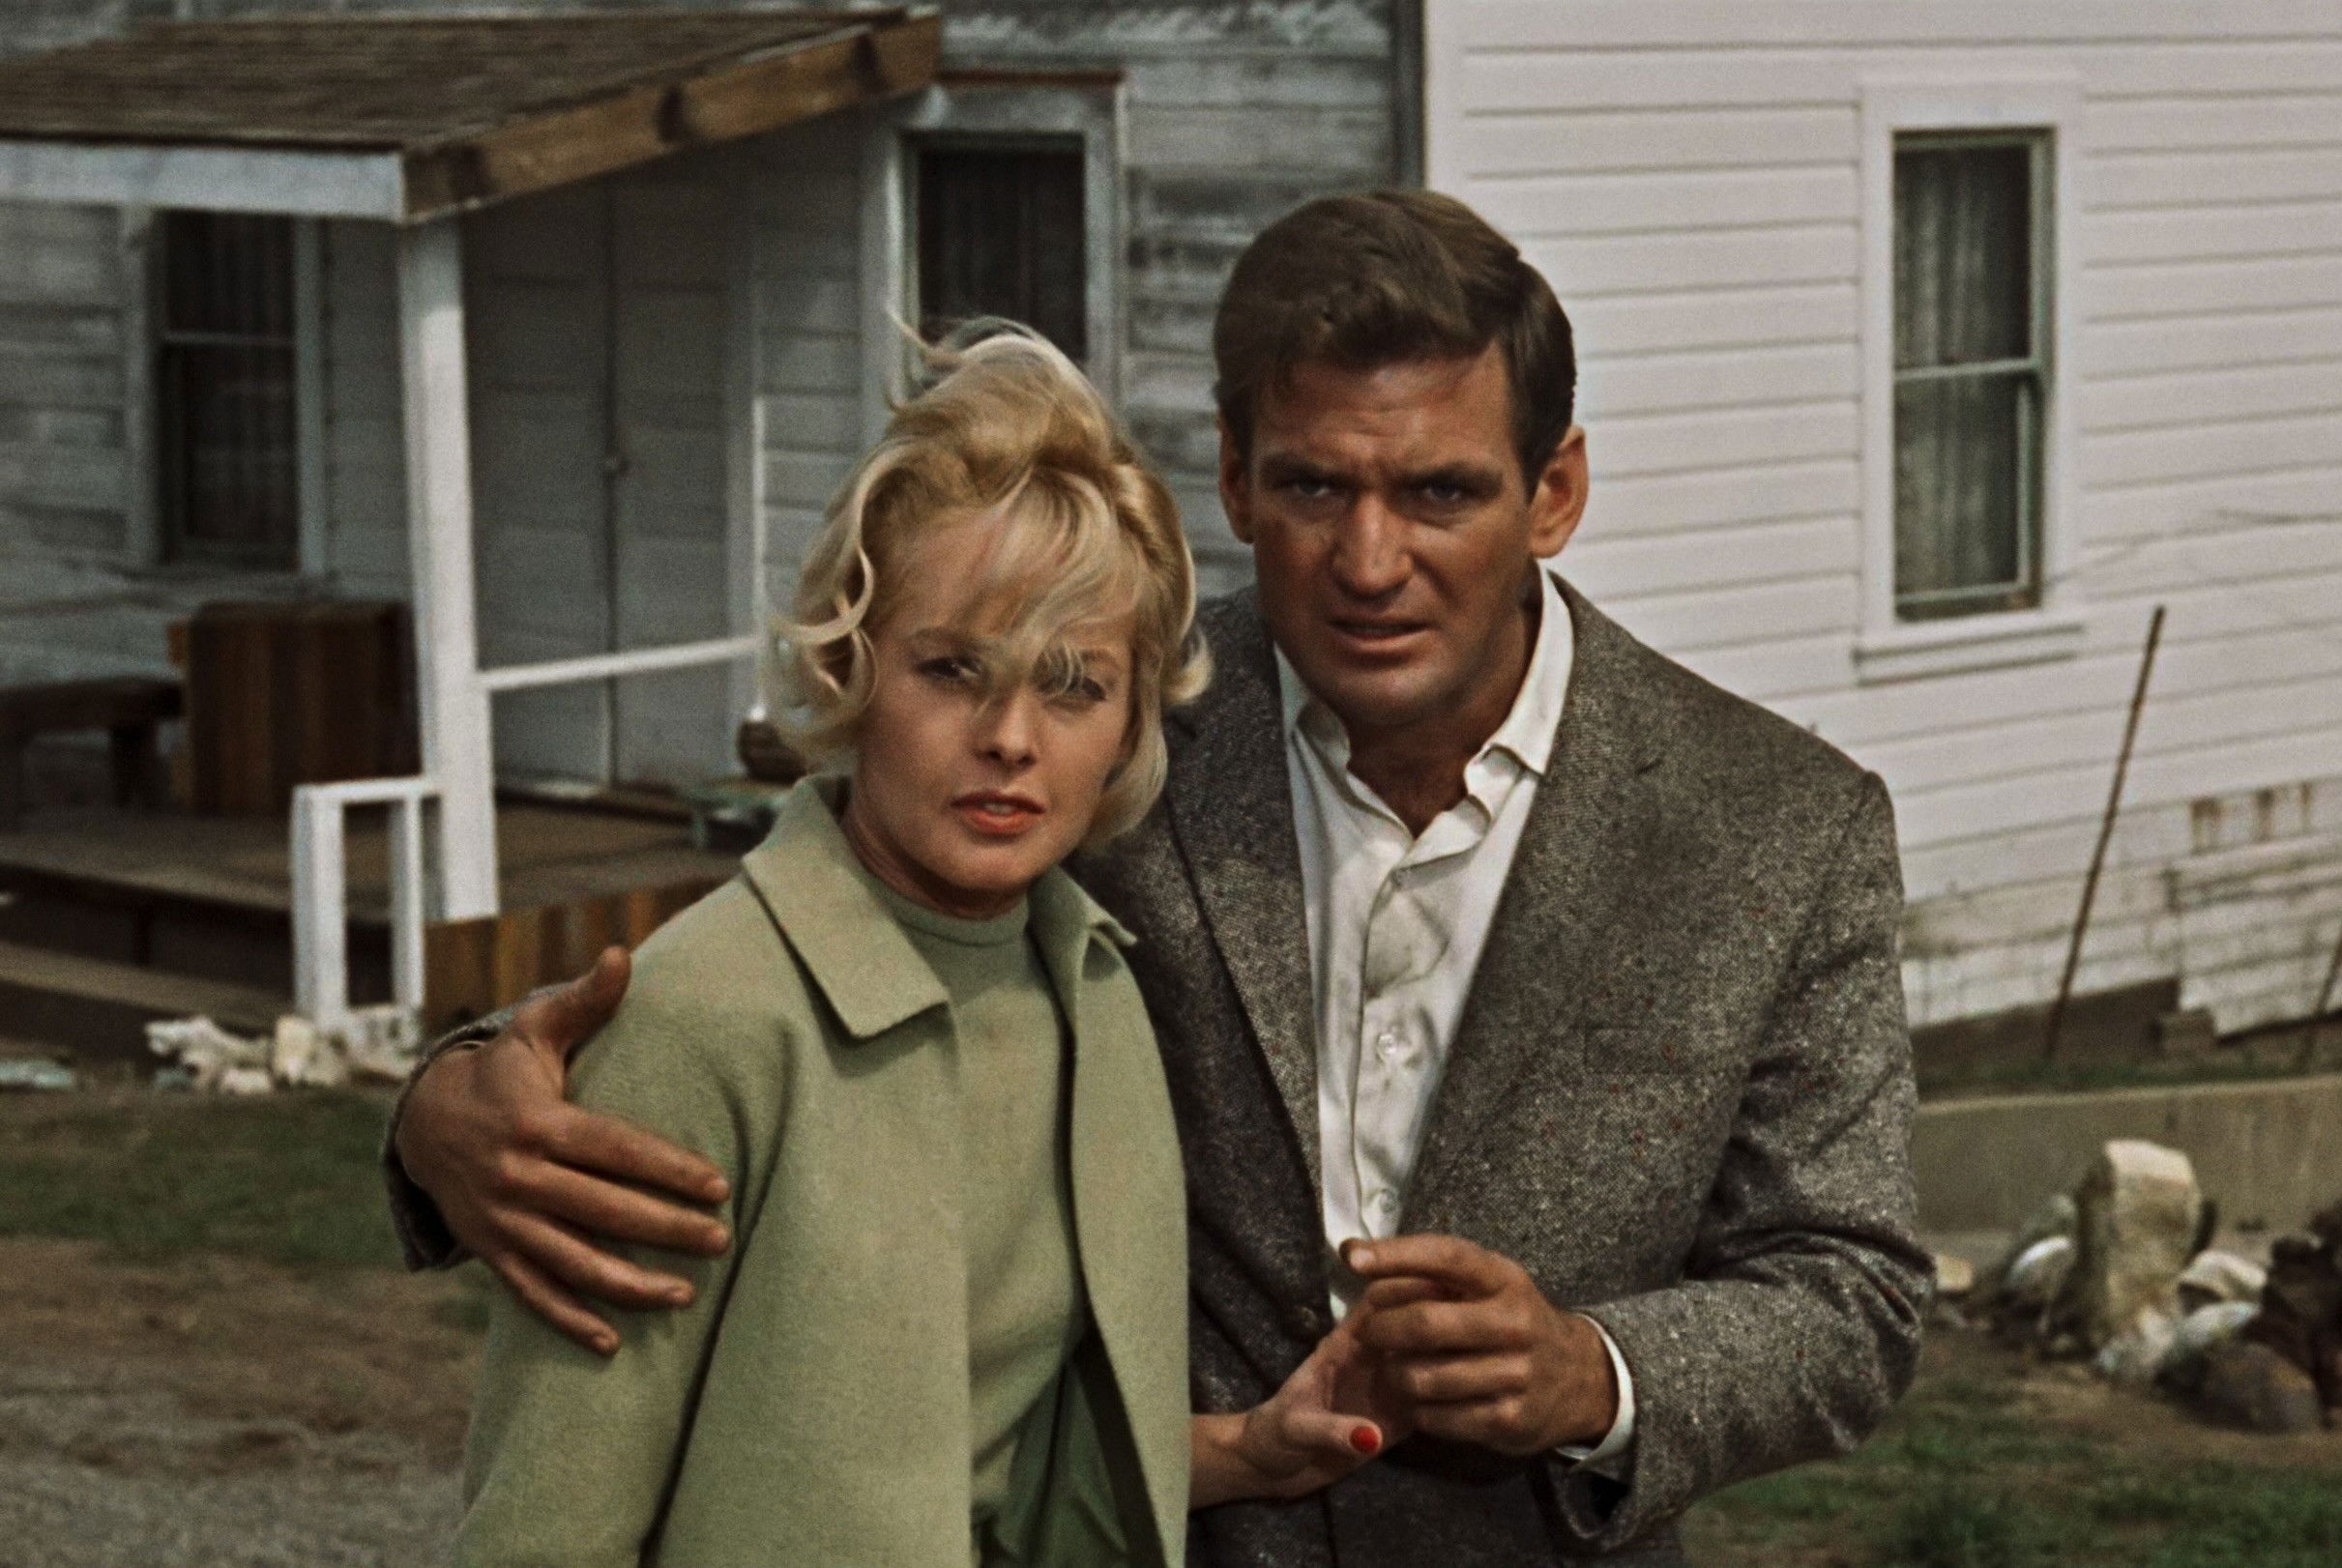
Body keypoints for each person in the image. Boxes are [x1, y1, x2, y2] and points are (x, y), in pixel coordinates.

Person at [392, 191, 1931, 1566]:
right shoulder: (1100, 713)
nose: (1368, 559)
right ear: (1237, 478)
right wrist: (441, 1105)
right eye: (1312, 487)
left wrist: (1593, 1372)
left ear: (1554, 490)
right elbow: (805, 937)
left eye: (1438, 493)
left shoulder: (1776, 829)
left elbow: (1846, 1287)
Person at [447, 329, 1395, 1568]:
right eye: (953, 669)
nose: (1011, 736)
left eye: (1073, 684)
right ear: (851, 666)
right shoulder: (704, 1017)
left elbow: (984, 1480)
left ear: (1130, 724)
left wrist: (1240, 1452)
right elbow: (540, 1529)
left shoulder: (1093, 991)